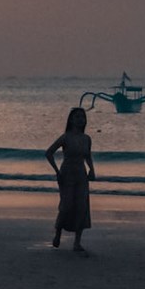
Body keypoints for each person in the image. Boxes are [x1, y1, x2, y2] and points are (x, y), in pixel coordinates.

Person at [45, 106, 95, 253]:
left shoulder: (86, 139)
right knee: (66, 206)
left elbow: (88, 156)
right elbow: (49, 153)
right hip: (66, 174)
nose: (80, 119)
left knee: (82, 207)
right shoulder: (66, 137)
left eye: (82, 117)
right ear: (71, 120)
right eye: (77, 117)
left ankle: (77, 243)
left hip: (81, 174)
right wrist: (57, 171)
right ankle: (58, 232)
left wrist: (92, 169)